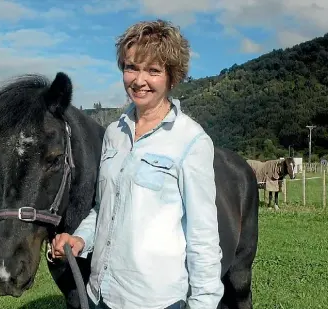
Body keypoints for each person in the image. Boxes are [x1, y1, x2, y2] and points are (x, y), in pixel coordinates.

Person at [51, 19, 224, 309]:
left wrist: (204, 303)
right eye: (131, 67)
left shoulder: (191, 142)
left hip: (155, 301)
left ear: (172, 77)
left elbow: (203, 238)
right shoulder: (114, 134)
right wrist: (80, 238)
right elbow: (103, 206)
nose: (139, 80)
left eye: (153, 71)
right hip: (100, 295)